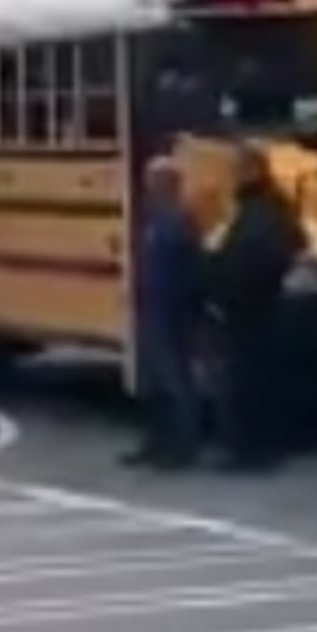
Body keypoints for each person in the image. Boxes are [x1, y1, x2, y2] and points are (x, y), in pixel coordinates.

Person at [206, 163, 305, 472]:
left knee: (242, 385)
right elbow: (293, 245)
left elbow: (243, 263)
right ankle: (262, 449)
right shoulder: (277, 210)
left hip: (246, 310)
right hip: (267, 307)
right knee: (263, 383)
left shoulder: (252, 216)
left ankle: (247, 451)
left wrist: (222, 292)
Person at [125, 157, 208, 471]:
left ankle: (181, 448)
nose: (149, 187)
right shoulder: (156, 219)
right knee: (154, 382)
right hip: (153, 305)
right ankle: (156, 443)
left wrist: (185, 306)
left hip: (170, 309)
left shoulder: (178, 222)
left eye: (155, 181)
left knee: (175, 381)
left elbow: (189, 271)